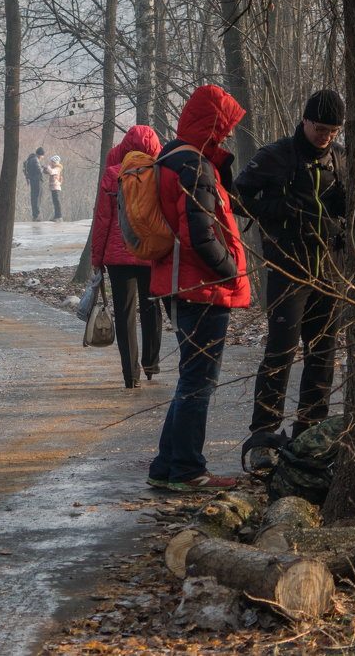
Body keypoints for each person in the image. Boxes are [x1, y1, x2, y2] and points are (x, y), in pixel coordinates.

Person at [235, 89, 348, 477]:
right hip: (287, 271)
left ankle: (311, 434)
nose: (326, 136)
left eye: (333, 131)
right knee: (280, 353)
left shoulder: (342, 160)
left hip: (330, 272)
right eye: (320, 128)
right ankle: (263, 437)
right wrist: (281, 210)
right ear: (304, 121)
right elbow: (236, 198)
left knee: (322, 355)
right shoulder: (274, 156)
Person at [146, 85, 252, 493]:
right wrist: (230, 272)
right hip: (201, 287)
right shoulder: (193, 165)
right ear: (211, 124)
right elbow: (200, 233)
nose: (225, 136)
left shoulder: (173, 158)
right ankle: (188, 469)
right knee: (198, 382)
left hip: (180, 284)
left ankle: (166, 465)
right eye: (223, 128)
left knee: (191, 378)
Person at [92, 125, 164, 389]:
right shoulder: (162, 173)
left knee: (124, 314)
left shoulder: (113, 174)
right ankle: (151, 364)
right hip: (152, 252)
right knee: (151, 307)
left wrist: (97, 258)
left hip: (118, 255)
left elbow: (102, 220)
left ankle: (129, 374)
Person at [23, 147, 46, 220]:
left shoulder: (31, 158)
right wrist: (43, 168)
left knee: (34, 197)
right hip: (37, 181)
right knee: (37, 197)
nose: (42, 157)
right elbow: (39, 170)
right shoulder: (35, 159)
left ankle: (35, 215)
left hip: (33, 180)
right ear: (40, 154)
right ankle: (37, 215)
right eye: (42, 155)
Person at [44, 155, 64, 221]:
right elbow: (48, 172)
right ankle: (56, 216)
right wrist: (44, 168)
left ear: (55, 162)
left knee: (57, 202)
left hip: (56, 187)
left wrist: (48, 167)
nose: (51, 163)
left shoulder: (58, 168)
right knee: (55, 202)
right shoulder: (54, 168)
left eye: (52, 162)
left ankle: (59, 216)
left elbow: (51, 172)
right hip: (53, 187)